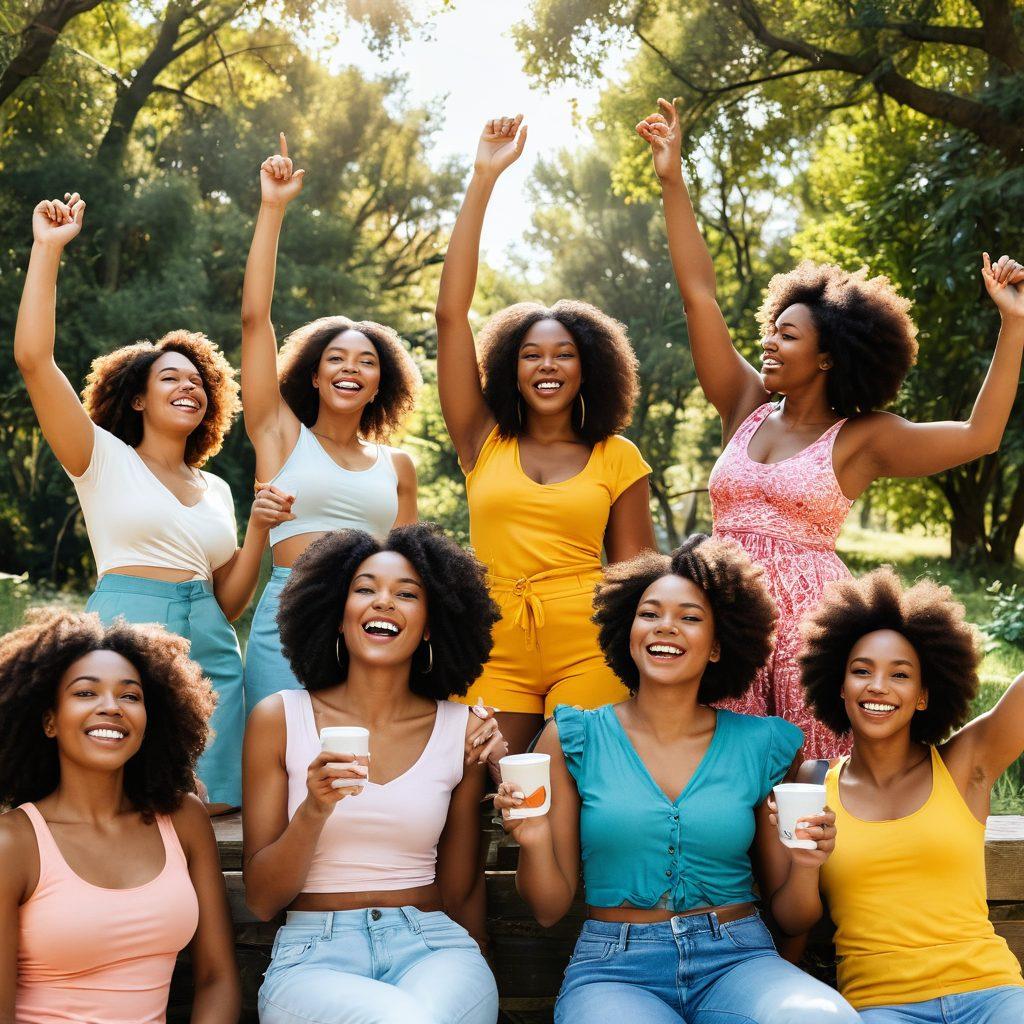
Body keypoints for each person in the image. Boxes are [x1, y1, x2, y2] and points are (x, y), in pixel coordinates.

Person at [637, 98, 1024, 759]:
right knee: (720, 772)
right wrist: (674, 180)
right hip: (724, 618)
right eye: (770, 330)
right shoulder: (745, 404)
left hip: (808, 635)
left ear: (828, 356)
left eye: (787, 335)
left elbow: (979, 435)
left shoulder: (862, 439)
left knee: (805, 784)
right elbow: (698, 294)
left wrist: (1014, 323)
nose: (768, 344)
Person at [495, 534, 859, 1023]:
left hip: (738, 960)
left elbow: (793, 918)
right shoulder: (573, 736)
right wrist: (534, 839)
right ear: (628, 629)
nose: (665, 627)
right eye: (650, 614)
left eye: (689, 617)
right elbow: (548, 908)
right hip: (613, 970)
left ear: (716, 647)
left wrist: (807, 863)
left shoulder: (762, 745)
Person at [14, 193, 293, 810]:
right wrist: (47, 249)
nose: (187, 385)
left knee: (215, 807)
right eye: (169, 377)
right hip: (126, 631)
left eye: (197, 381)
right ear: (136, 398)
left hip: (213, 649)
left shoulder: (217, 487)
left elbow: (228, 599)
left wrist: (257, 531)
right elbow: (34, 361)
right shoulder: (100, 457)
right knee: (129, 800)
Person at [435, 114, 657, 754]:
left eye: (563, 354)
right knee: (469, 774)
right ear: (510, 366)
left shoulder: (617, 457)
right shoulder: (482, 438)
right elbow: (452, 317)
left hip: (588, 647)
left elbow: (636, 578)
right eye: (532, 354)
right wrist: (483, 179)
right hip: (493, 640)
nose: (547, 366)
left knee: (560, 773)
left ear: (590, 367)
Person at [243, 524, 507, 1024]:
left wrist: (499, 771)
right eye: (364, 589)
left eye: (406, 594)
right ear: (337, 616)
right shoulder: (279, 719)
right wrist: (314, 809)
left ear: (431, 624)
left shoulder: (463, 730)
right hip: (313, 956)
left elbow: (460, 889)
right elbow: (261, 899)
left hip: (435, 948)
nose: (383, 602)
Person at [769, 568, 1024, 1022]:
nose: (878, 686)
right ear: (840, 687)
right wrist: (807, 861)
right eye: (861, 671)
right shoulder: (812, 786)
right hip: (882, 1005)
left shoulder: (965, 766)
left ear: (924, 694)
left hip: (991, 993)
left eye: (900, 674)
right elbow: (791, 923)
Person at [240, 135, 421, 709]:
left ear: (378, 384)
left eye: (366, 362)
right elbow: (253, 321)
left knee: (354, 772)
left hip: (372, 621)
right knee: (278, 762)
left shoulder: (398, 465)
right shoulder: (281, 432)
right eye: (335, 360)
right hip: (289, 613)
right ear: (313, 377)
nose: (351, 368)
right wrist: (272, 209)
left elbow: (411, 567)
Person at [0, 608, 240, 1023]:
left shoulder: (182, 819)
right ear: (49, 720)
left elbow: (217, 978)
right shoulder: (14, 843)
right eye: (85, 693)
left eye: (130, 695)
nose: (112, 707)